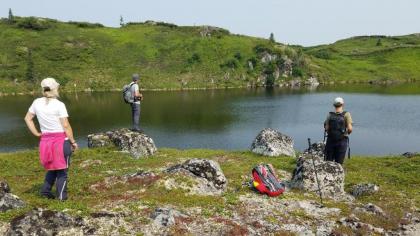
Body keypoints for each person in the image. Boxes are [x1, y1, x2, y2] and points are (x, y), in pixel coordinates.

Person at [24, 78, 78, 201]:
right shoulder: (59, 105)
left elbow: (28, 118)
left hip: (45, 141)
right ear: (55, 89)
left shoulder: (36, 102)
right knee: (62, 171)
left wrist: (37, 133)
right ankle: (61, 198)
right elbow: (65, 125)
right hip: (60, 141)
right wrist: (73, 142)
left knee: (52, 168)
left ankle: (45, 192)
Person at [324, 97, 353, 165]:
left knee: (328, 162)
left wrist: (331, 134)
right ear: (342, 104)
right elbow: (350, 129)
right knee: (339, 163)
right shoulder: (346, 114)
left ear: (334, 105)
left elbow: (326, 128)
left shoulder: (330, 114)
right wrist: (347, 133)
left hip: (330, 140)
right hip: (342, 141)